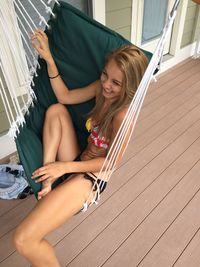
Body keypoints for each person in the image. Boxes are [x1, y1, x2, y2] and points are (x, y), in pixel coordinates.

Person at [13, 29, 148, 267]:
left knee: (24, 240)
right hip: (75, 160)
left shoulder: (123, 115)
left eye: (116, 83)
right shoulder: (100, 89)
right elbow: (64, 97)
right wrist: (50, 60)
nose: (106, 84)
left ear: (129, 86)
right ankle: (48, 176)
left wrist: (64, 166)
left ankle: (55, 171)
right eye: (105, 75)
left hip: (90, 178)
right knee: (56, 111)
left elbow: (112, 162)